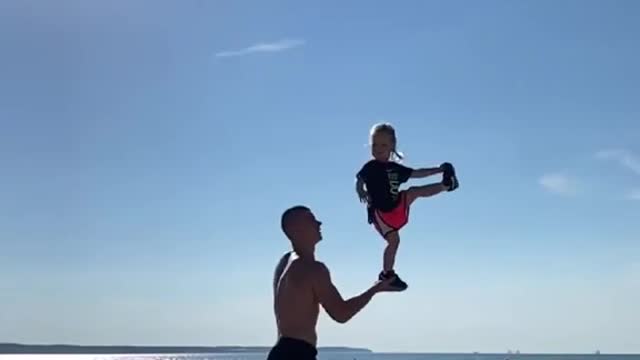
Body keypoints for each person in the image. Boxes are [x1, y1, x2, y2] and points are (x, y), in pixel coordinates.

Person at [267, 205, 396, 360]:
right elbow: (341, 314)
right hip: (298, 353)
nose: (319, 223)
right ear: (295, 229)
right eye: (311, 220)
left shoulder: (284, 262)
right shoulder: (314, 269)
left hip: (280, 352)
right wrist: (375, 288)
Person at [355, 122, 459, 292]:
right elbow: (359, 179)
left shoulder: (395, 168)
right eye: (374, 144)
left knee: (412, 192)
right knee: (394, 241)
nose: (378, 148)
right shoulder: (370, 167)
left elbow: (418, 173)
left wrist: (440, 169)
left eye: (383, 145)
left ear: (392, 146)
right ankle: (387, 274)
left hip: (397, 209)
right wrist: (360, 190)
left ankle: (446, 185)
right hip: (382, 215)